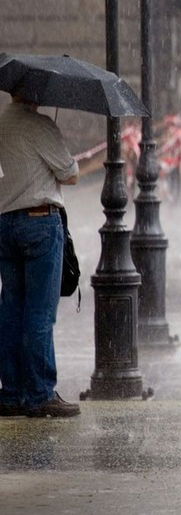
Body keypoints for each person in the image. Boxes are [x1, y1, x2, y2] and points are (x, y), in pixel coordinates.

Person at [0, 93, 81, 418]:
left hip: (4, 224)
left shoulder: (2, 123)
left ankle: (12, 393)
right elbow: (71, 174)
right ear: (36, 93)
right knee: (39, 313)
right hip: (39, 223)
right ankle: (40, 394)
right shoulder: (40, 125)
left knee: (11, 310)